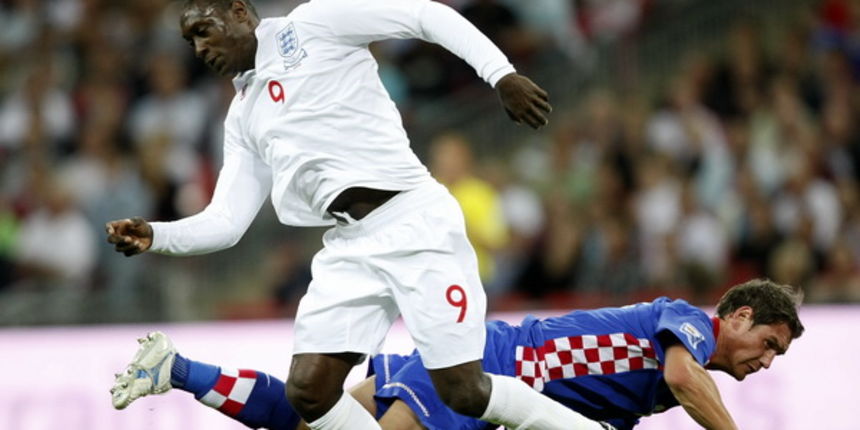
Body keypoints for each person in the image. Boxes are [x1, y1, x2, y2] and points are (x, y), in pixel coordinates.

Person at [104, 0, 565, 429]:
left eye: (204, 30)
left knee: (465, 392)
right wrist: (156, 235)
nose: (200, 48)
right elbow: (226, 220)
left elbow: (425, 15)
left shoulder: (314, 24)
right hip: (349, 246)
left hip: (412, 219)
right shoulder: (243, 116)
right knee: (309, 391)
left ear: (240, 12)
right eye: (191, 42)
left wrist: (501, 75)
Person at [110, 278, 804, 430]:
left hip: (482, 368)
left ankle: (176, 369)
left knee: (306, 418)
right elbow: (687, 379)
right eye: (768, 344)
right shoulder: (685, 326)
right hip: (487, 369)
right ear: (736, 316)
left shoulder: (637, 399)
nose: (765, 361)